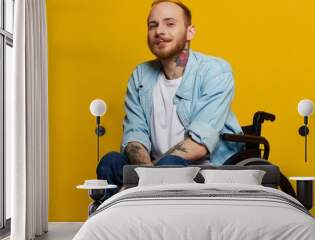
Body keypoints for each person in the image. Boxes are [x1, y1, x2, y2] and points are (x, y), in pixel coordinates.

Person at [97, 0, 244, 199]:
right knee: (110, 161)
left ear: (190, 32)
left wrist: (150, 177)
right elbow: (134, 136)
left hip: (203, 168)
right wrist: (151, 175)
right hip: (152, 168)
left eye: (170, 24)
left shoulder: (214, 71)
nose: (159, 31)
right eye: (153, 25)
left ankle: (144, 204)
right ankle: (119, 222)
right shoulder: (141, 75)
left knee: (170, 166)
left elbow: (199, 143)